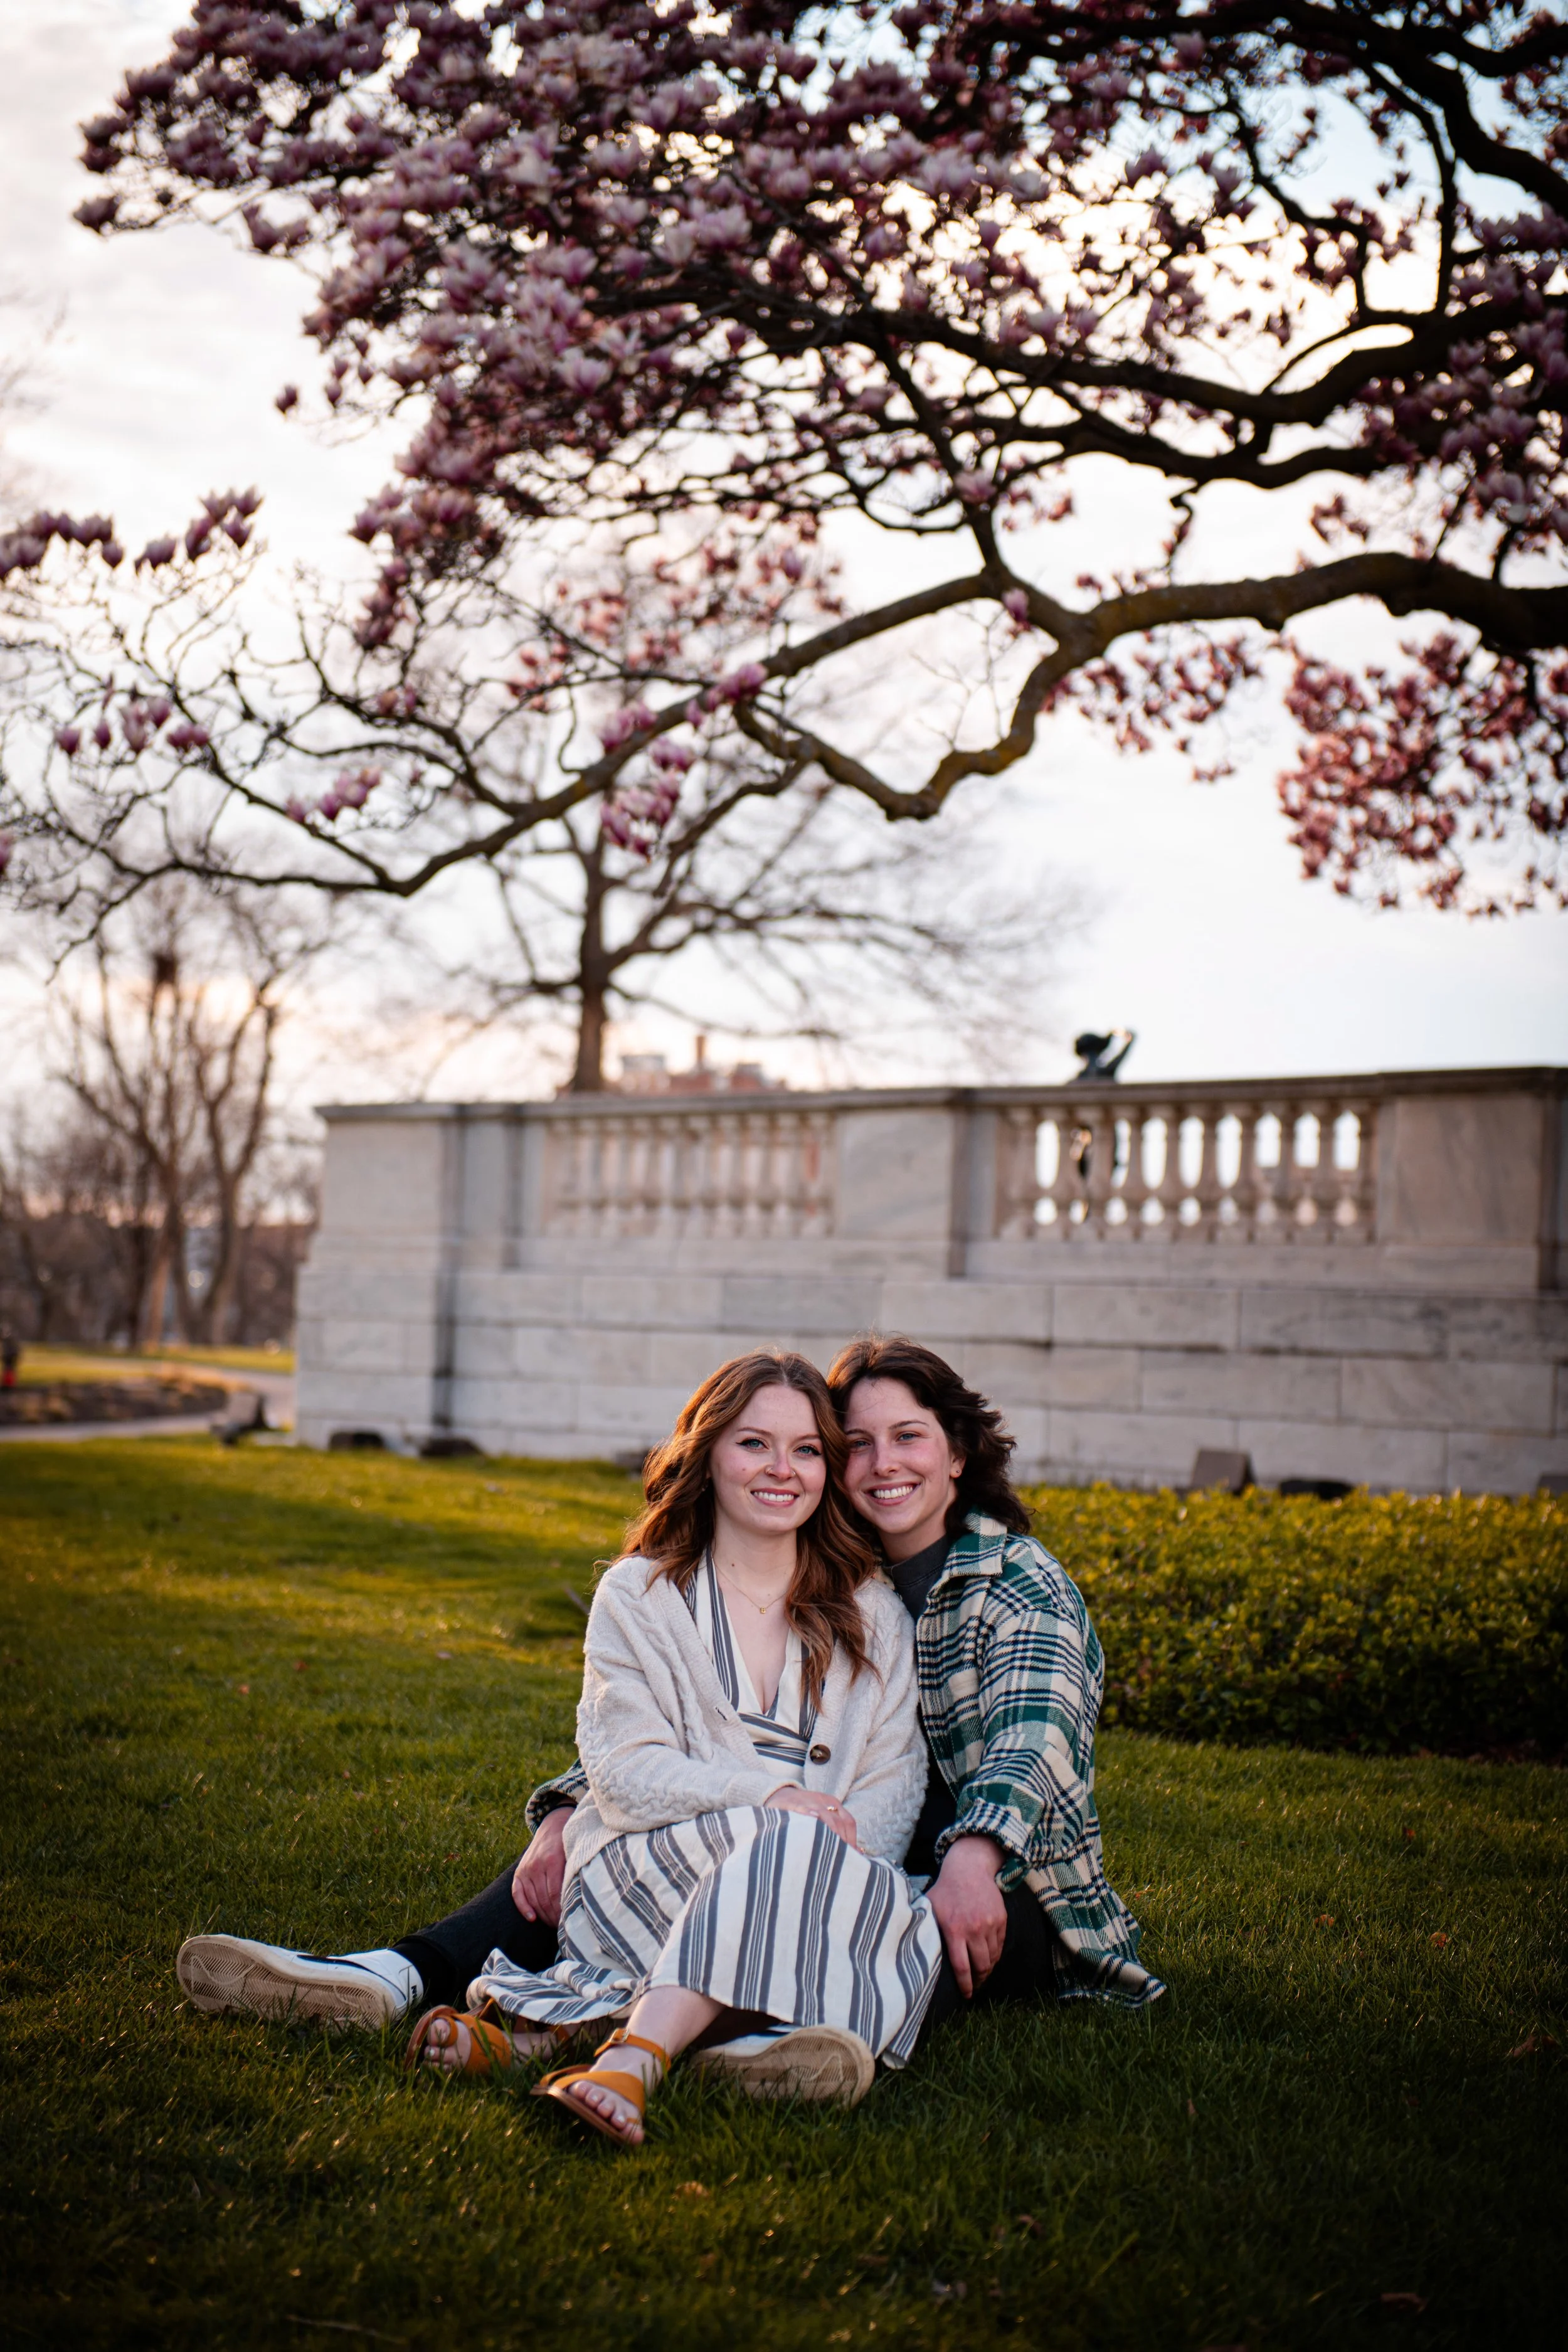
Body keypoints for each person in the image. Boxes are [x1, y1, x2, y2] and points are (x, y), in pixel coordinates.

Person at [178, 1335, 1161, 2076]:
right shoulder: (804, 1579)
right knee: (635, 1855)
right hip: (815, 1848)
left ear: (957, 1452)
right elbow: (662, 1736)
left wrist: (973, 1860)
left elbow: (1031, 1748)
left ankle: (601, 2029)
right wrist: (578, 1802)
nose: (875, 1464)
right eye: (852, 1442)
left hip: (985, 1878)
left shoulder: (1010, 1584)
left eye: (906, 1437)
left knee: (836, 1897)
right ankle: (400, 1973)